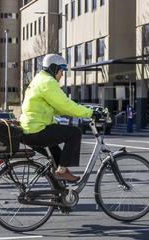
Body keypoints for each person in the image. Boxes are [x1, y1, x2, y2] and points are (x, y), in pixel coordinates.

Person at [20, 54, 99, 183]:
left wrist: (74, 110)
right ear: (53, 68)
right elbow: (65, 105)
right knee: (74, 133)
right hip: (37, 130)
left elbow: (57, 107)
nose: (62, 75)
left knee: (57, 157)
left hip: (29, 130)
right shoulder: (48, 82)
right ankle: (62, 172)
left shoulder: (38, 79)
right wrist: (90, 113)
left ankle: (59, 195)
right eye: (61, 70)